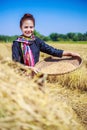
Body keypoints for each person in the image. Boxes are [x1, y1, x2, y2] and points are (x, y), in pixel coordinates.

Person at [12, 13, 80, 73]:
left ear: (34, 27)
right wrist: (29, 68)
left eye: (31, 27)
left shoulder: (36, 41)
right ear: (21, 28)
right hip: (22, 78)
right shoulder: (17, 43)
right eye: (26, 27)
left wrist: (70, 53)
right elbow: (15, 63)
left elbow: (52, 51)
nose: (29, 30)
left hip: (36, 75)